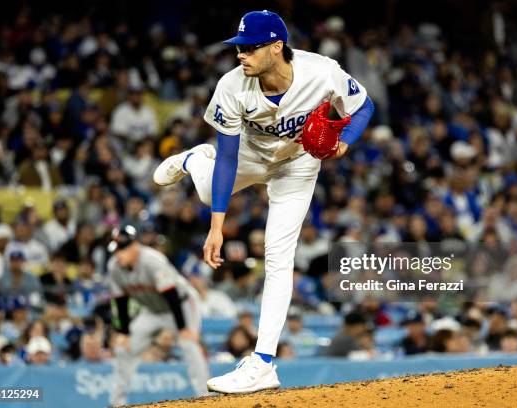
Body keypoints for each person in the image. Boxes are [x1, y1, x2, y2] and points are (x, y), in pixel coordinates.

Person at [153, 10, 373, 394]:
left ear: (276, 47)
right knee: (206, 191)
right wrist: (216, 228)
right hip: (248, 157)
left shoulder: (321, 72)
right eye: (239, 47)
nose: (241, 55)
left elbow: (364, 106)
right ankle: (191, 159)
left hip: (298, 162)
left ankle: (263, 363)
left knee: (278, 257)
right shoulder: (232, 86)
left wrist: (345, 141)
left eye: (250, 48)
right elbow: (227, 158)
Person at [106, 225, 209, 406]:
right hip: (151, 311)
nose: (118, 254)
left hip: (181, 304)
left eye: (122, 249)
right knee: (124, 349)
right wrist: (123, 332)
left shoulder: (152, 260)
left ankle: (206, 397)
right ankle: (116, 403)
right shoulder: (114, 267)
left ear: (134, 246)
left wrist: (183, 328)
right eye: (116, 250)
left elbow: (171, 295)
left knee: (189, 343)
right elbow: (120, 301)